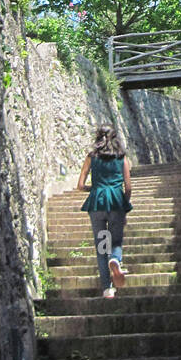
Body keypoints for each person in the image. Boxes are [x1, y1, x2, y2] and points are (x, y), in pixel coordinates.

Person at [77, 126, 132, 298]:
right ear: (115, 138)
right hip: (116, 201)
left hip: (97, 202)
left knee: (102, 245)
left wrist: (93, 189)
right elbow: (128, 187)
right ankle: (115, 259)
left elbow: (79, 185)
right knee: (115, 240)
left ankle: (107, 288)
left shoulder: (91, 157)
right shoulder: (122, 158)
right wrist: (125, 206)